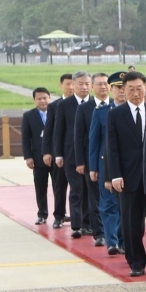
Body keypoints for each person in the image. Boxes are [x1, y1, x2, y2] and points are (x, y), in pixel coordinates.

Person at [106, 72, 146, 277]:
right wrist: (114, 175)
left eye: (139, 88)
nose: (136, 93)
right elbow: (112, 146)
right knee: (131, 224)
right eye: (131, 89)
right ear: (123, 91)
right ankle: (136, 261)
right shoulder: (115, 114)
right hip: (128, 178)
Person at [87, 72, 126, 256]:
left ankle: (123, 240)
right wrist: (93, 167)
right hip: (107, 166)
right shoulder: (102, 111)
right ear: (112, 89)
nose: (122, 91)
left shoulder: (138, 110)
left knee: (126, 206)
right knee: (109, 204)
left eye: (125, 87)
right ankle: (112, 241)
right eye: (118, 87)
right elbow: (94, 141)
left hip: (130, 166)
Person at [50, 71, 92, 237]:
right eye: (80, 83)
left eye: (87, 83)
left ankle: (88, 223)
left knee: (90, 191)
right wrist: (58, 154)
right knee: (76, 190)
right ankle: (76, 226)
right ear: (73, 85)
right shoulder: (65, 104)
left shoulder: (96, 104)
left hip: (90, 155)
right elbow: (58, 131)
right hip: (71, 155)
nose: (84, 87)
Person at [75, 72, 111, 246]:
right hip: (93, 160)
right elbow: (79, 136)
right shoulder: (84, 108)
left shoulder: (116, 106)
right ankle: (99, 233)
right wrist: (81, 162)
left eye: (106, 84)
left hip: (113, 161)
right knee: (95, 197)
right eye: (99, 84)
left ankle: (114, 232)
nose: (103, 87)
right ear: (92, 87)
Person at [42, 74, 73, 228]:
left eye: (74, 83)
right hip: (60, 153)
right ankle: (59, 216)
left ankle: (81, 216)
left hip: (78, 154)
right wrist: (47, 152)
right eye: (68, 84)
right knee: (60, 186)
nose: (71, 87)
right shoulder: (54, 106)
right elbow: (49, 131)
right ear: (61, 85)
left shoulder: (84, 104)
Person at [22, 87, 52, 225]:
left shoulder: (56, 112)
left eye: (45, 98)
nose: (42, 101)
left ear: (49, 98)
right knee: (40, 187)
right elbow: (26, 138)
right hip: (38, 158)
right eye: (39, 99)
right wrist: (28, 157)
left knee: (60, 187)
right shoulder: (28, 116)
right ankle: (42, 214)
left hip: (56, 157)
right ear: (34, 100)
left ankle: (61, 213)